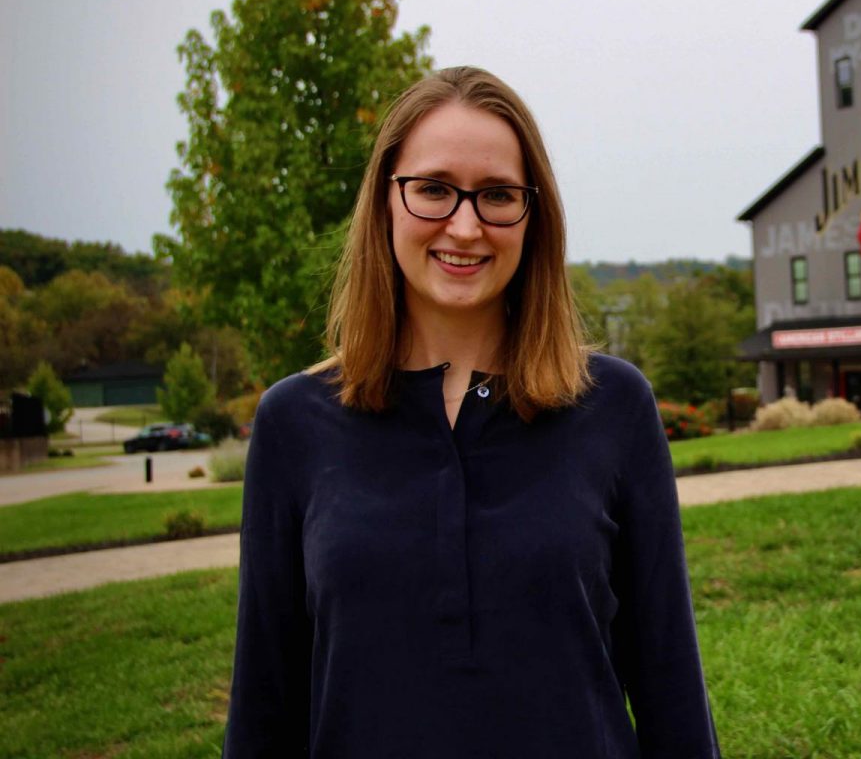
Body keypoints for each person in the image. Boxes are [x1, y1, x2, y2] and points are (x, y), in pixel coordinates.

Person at [223, 67, 721, 757]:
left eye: (496, 195)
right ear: (384, 203)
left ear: (531, 212)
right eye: (433, 189)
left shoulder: (613, 408)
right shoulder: (293, 424)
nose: (466, 225)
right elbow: (263, 708)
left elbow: (672, 692)